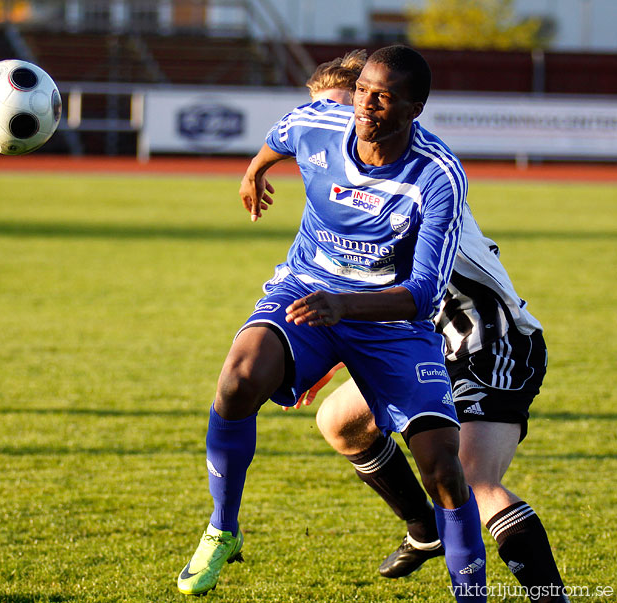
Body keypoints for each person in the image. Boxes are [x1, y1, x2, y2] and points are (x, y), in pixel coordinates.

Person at [177, 45, 488, 601]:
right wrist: (254, 172)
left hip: (390, 320)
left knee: (442, 467)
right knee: (238, 379)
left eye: (384, 97)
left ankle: (472, 591)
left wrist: (344, 306)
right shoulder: (320, 121)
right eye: (364, 89)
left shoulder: (438, 177)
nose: (366, 104)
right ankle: (222, 529)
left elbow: (423, 295)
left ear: (414, 109)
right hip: (305, 289)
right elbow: (281, 136)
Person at [285, 51, 570, 603]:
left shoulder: (418, 176)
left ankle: (552, 596)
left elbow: (415, 294)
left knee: (470, 479)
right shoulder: (346, 177)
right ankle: (426, 531)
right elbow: (359, 288)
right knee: (341, 424)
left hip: (488, 339)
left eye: (338, 108)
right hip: (421, 337)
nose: (330, 122)